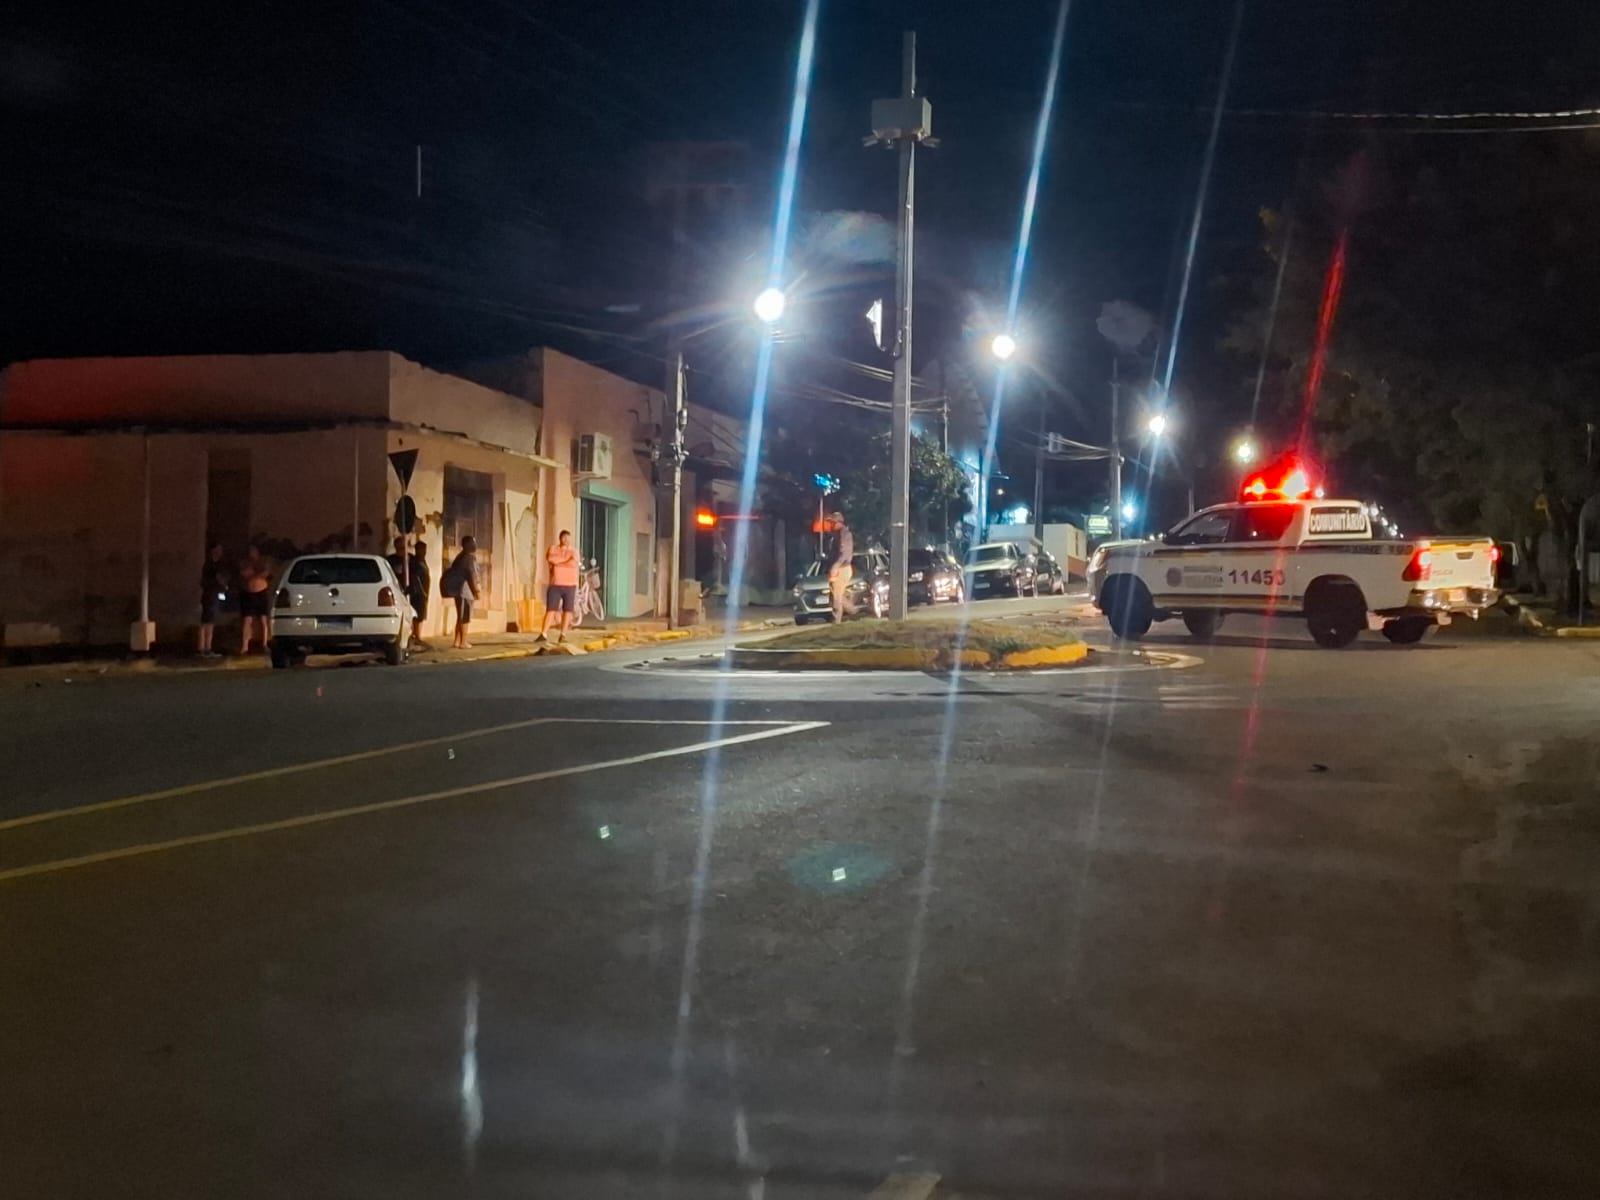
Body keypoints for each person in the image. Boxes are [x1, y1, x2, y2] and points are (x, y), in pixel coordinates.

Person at [388, 535, 430, 647]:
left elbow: (418, 575)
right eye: (400, 547)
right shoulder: (391, 560)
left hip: (413, 592)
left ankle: (417, 636)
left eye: (404, 546)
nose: (402, 549)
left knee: (417, 614)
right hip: (397, 591)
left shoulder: (412, 559)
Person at [540, 530, 580, 643]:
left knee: (567, 610)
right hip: (555, 584)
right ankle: (543, 634)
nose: (566, 540)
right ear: (560, 538)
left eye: (568, 537)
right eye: (564, 537)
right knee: (551, 609)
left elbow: (573, 563)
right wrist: (566, 560)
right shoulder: (553, 549)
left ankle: (563, 634)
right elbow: (551, 559)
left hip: (570, 585)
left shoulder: (574, 551)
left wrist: (558, 563)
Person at [444, 535, 481, 649]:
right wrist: (476, 591)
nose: (475, 545)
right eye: (473, 543)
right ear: (467, 545)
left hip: (459, 590)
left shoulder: (460, 557)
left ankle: (457, 640)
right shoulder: (469, 558)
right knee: (465, 617)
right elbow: (472, 575)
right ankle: (463, 642)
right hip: (466, 590)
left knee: (460, 615)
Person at [237, 543, 273, 655]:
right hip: (248, 593)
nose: (251, 553)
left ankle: (264, 644)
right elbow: (243, 573)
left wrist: (254, 574)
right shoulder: (245, 562)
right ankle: (245, 646)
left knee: (263, 619)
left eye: (253, 550)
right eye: (250, 551)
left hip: (261, 592)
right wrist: (251, 574)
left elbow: (265, 573)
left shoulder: (263, 562)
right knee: (247, 620)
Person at [197, 541, 228, 657]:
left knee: (208, 621)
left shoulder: (213, 564)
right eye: (218, 550)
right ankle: (205, 647)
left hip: (211, 595)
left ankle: (205, 647)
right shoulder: (211, 565)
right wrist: (223, 585)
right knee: (207, 622)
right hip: (210, 595)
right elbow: (217, 579)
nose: (220, 552)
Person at [827, 512, 854, 623]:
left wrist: (836, 566)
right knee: (836, 594)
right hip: (840, 567)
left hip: (842, 568)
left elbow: (844, 553)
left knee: (837, 596)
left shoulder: (844, 534)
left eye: (832, 523)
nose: (831, 525)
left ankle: (836, 621)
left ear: (839, 522)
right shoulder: (836, 535)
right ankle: (854, 611)